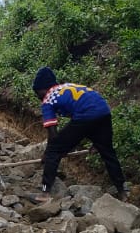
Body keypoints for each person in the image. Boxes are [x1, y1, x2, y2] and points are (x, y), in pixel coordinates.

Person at [31, 67, 128, 201]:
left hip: (86, 115)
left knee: (54, 150)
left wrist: (48, 153)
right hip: (104, 111)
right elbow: (85, 126)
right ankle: (122, 190)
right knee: (107, 152)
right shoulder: (67, 86)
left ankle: (45, 191)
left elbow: (53, 135)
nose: (38, 97)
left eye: (37, 93)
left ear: (43, 89)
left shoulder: (48, 98)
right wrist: (97, 142)